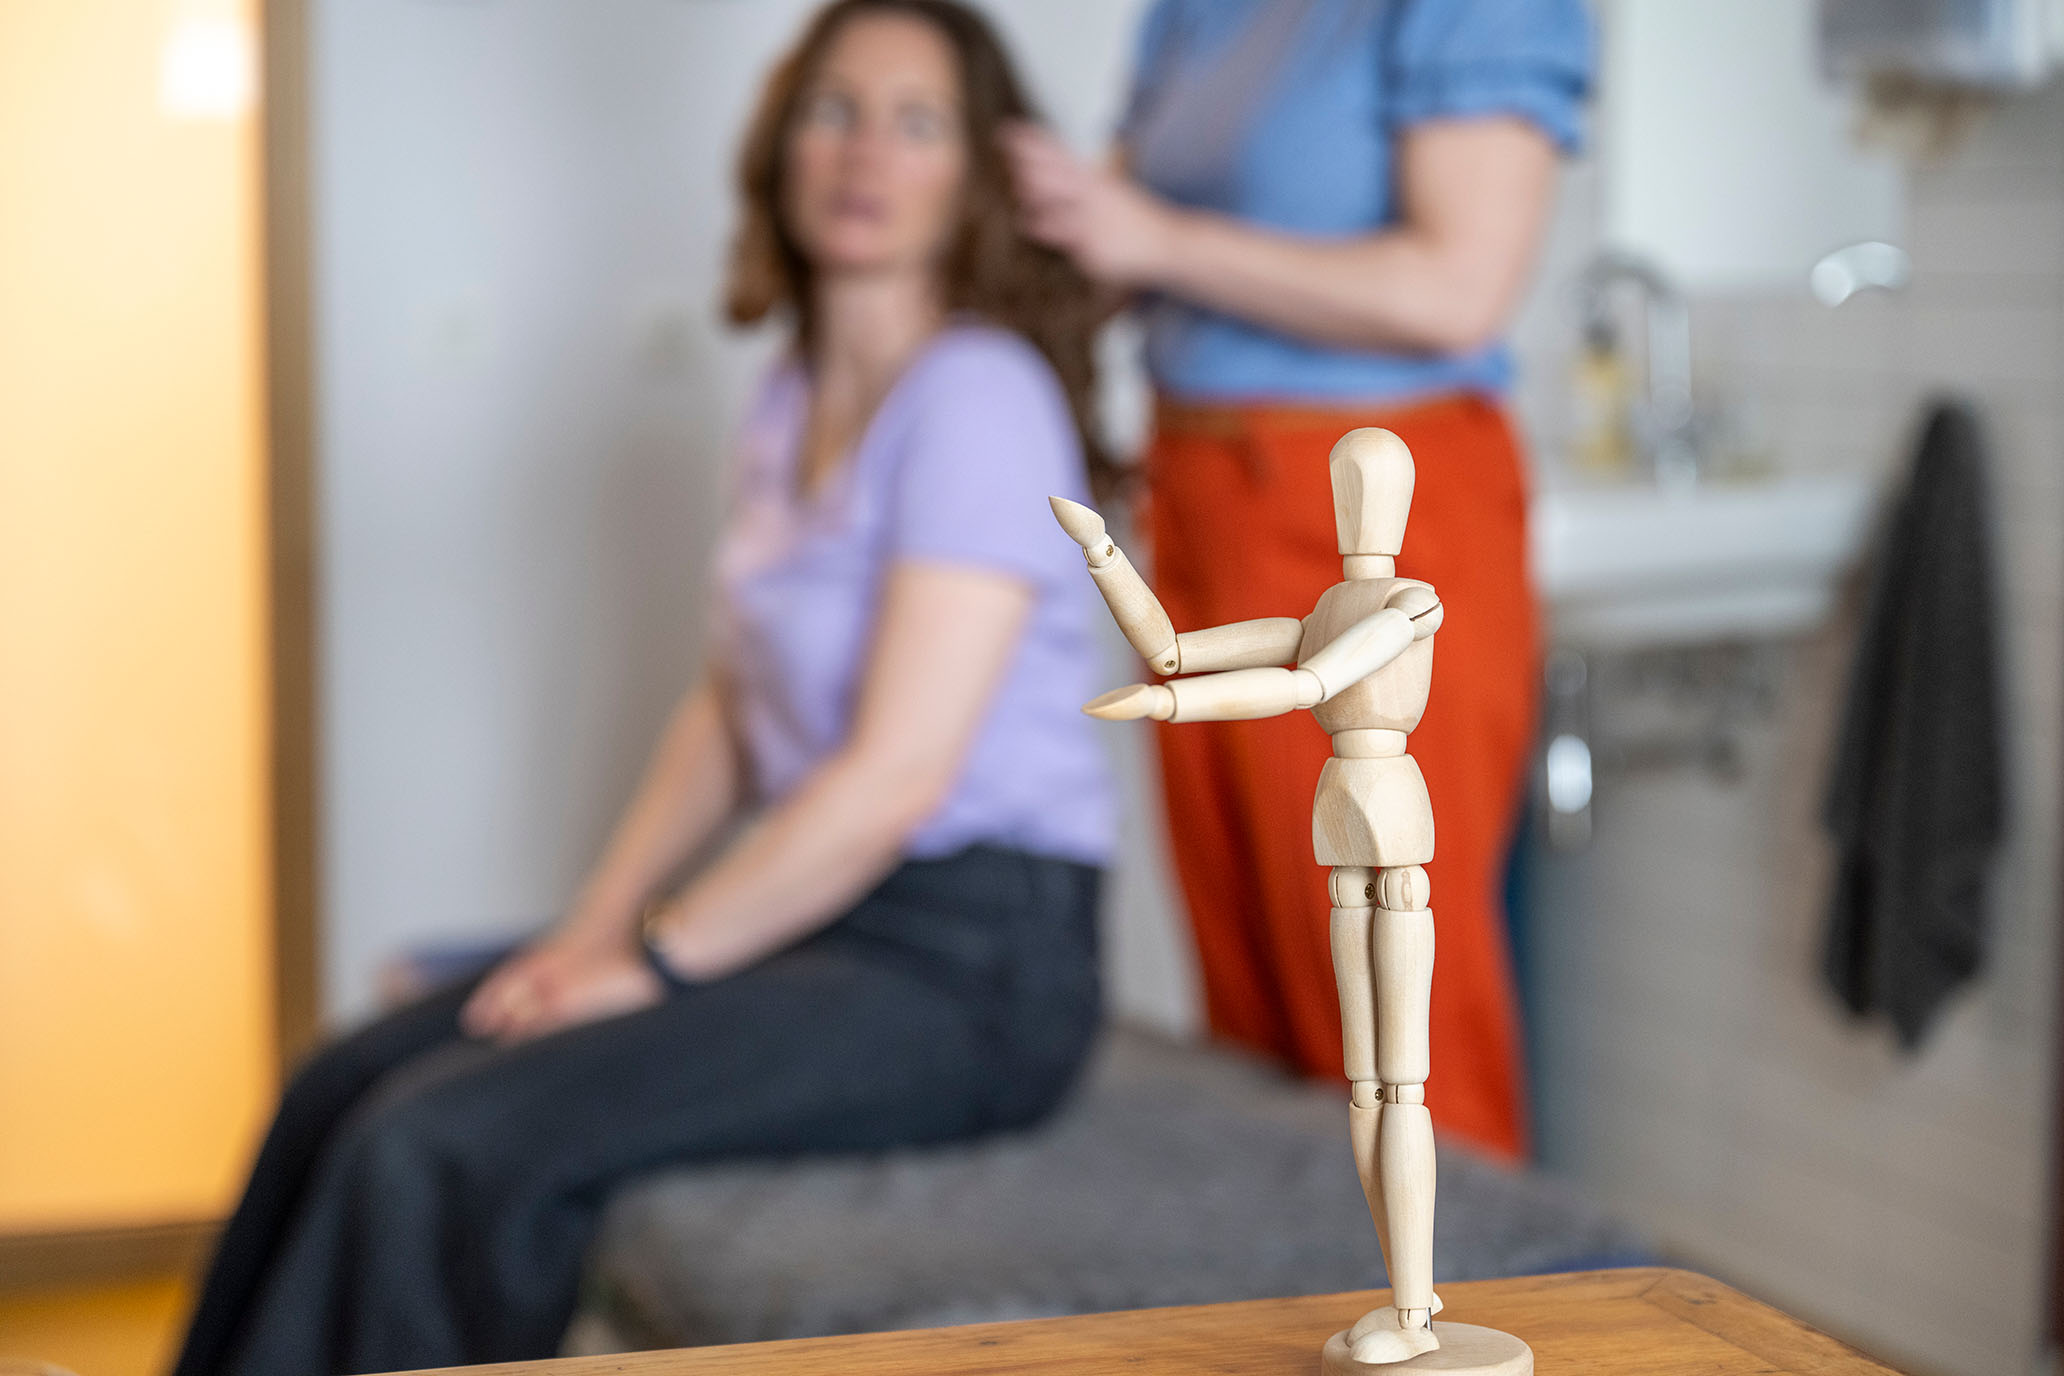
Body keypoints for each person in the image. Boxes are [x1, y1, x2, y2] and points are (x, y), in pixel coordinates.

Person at [172, 3, 1113, 1369]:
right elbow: (727, 711)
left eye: (918, 124)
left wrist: (658, 961)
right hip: (830, 922)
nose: (864, 153)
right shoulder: (789, 396)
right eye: (832, 109)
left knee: (434, 1144)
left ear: (974, 175)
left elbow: (891, 779)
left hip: (977, 965)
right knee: (344, 1078)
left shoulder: (979, 395)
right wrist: (592, 931)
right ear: (782, 143)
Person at [1005, 0, 1592, 1162]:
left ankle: (1462, 1308)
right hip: (1196, 494)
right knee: (1253, 992)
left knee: (1386, 991)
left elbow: (1457, 288)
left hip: (1371, 508)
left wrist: (1156, 242)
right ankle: (1303, 1314)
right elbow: (1112, 240)